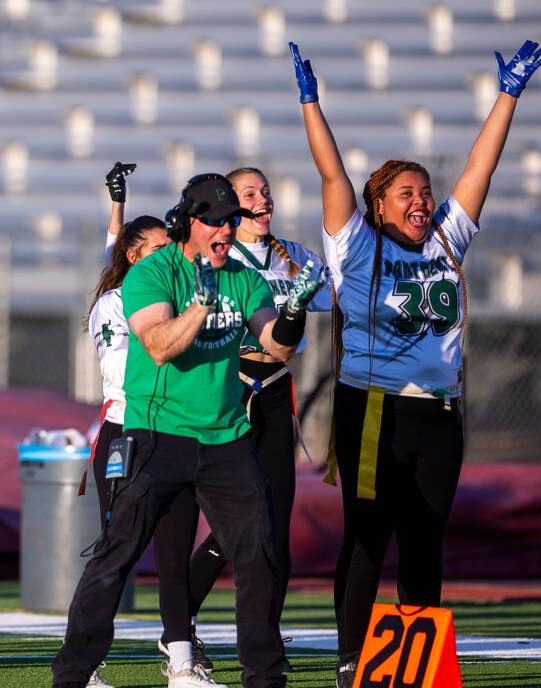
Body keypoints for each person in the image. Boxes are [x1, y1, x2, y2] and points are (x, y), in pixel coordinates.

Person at [290, 40, 541, 687]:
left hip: (438, 415)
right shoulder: (355, 243)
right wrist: (311, 105)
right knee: (368, 534)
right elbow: (332, 178)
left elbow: (479, 174)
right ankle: (352, 663)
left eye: (426, 192)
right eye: (407, 192)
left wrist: (508, 94)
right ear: (379, 203)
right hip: (373, 407)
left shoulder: (445, 242)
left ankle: (416, 665)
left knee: (426, 540)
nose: (421, 201)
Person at [51, 173, 326, 688]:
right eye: (216, 222)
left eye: (232, 221)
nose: (226, 231)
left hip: (224, 436)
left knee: (261, 551)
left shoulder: (243, 278)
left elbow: (279, 345)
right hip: (157, 434)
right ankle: (72, 674)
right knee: (117, 553)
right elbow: (158, 345)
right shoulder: (153, 272)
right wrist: (199, 303)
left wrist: (294, 309)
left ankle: (264, 677)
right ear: (189, 223)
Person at [185, 167, 332, 668]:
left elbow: (342, 298)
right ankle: (178, 623)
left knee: (275, 522)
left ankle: (267, 635)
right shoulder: (223, 258)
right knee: (235, 524)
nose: (262, 200)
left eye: (266, 192)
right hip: (230, 391)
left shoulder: (296, 256)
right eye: (250, 194)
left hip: (274, 392)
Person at [88, 163, 206, 687]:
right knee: (117, 557)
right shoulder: (113, 304)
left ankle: (181, 666)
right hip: (127, 436)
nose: (169, 256)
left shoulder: (173, 298)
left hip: (176, 436)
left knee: (176, 557)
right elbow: (123, 370)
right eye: (157, 249)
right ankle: (84, 666)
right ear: (136, 257)